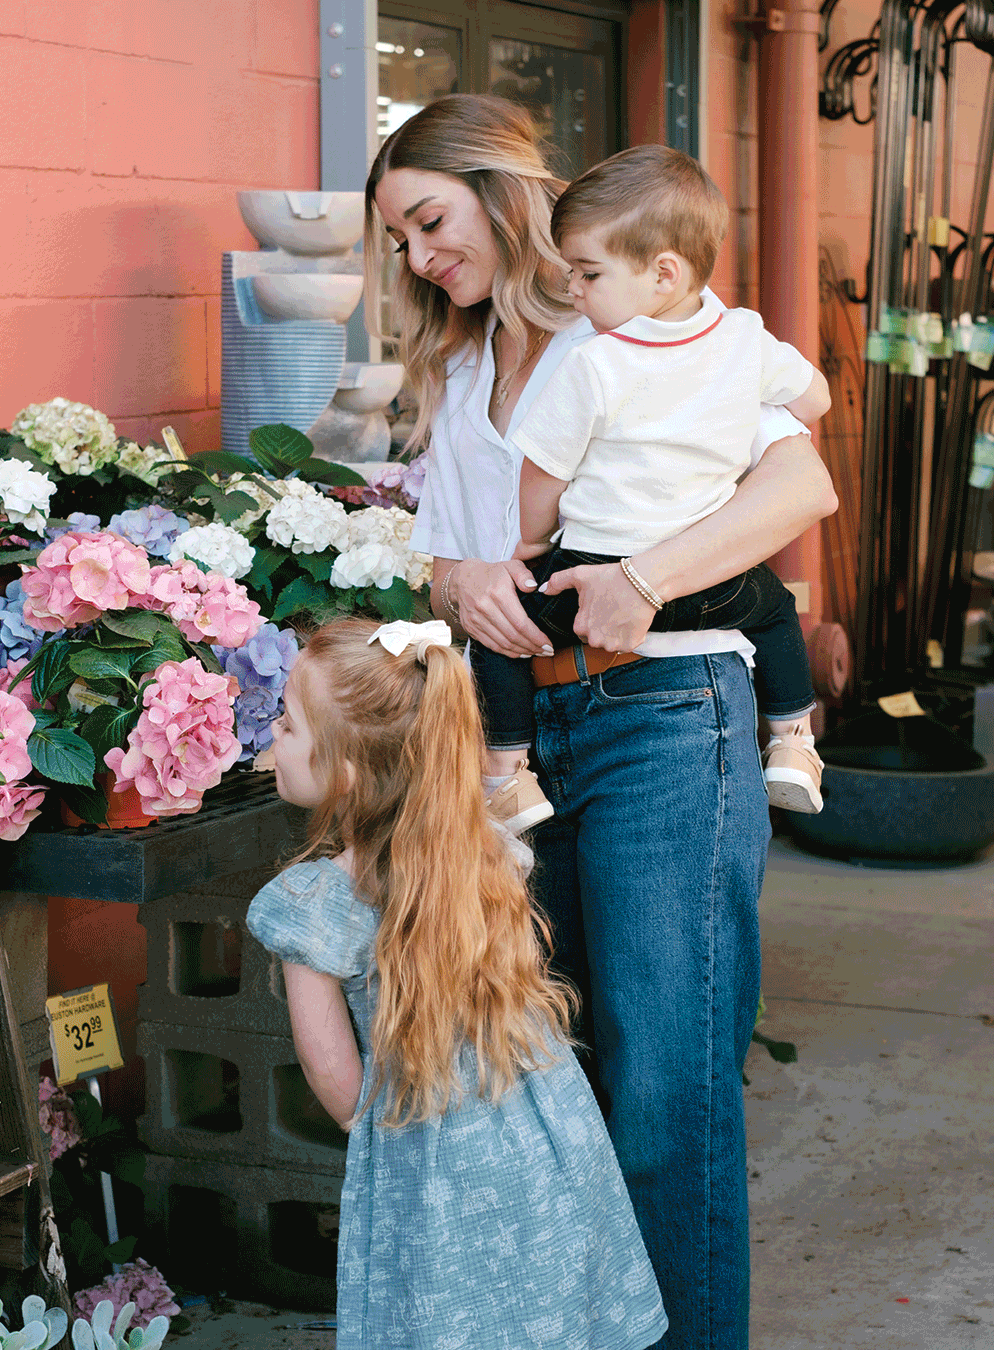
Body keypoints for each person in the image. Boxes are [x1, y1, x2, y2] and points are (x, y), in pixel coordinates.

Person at [365, 93, 838, 1350]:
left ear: (501, 192)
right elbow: (448, 551)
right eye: (399, 242)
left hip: (666, 715)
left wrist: (650, 577)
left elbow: (803, 478)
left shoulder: (654, 320)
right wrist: (450, 581)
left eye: (429, 221)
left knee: (668, 1085)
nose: (418, 258)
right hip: (515, 738)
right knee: (550, 1085)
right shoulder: (457, 366)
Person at [246, 616, 669, 1350]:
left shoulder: (312, 906)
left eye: (286, 721)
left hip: (433, 1164)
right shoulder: (491, 859)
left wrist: (392, 1138)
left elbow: (337, 1080)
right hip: (549, 1140)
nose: (271, 735)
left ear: (345, 770)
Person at [467, 144, 830, 834]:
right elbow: (816, 397)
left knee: (501, 634)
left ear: (663, 273)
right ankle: (791, 743)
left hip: (589, 575)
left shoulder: (595, 364)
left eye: (588, 273)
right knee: (778, 613)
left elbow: (542, 469)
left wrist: (532, 540)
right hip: (706, 584)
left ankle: (506, 778)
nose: (573, 289)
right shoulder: (746, 340)